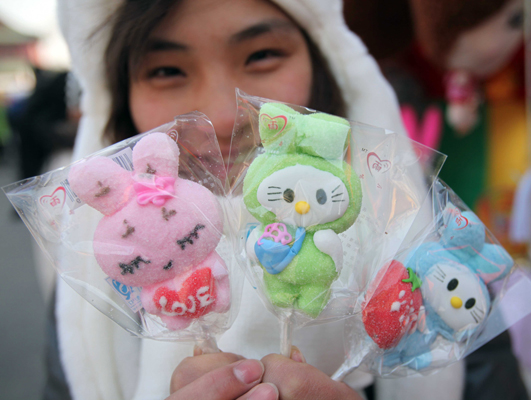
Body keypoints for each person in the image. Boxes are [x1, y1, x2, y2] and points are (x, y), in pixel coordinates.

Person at [54, 0, 464, 399]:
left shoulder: (448, 276)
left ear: (327, 64)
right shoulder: (104, 287)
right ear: (118, 97)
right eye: (165, 70)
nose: (223, 115)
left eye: (262, 55)